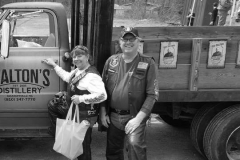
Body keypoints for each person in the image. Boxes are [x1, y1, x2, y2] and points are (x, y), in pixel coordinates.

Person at [99, 27, 159, 160]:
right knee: (113, 151)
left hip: (135, 115)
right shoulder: (111, 61)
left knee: (135, 146)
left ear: (139, 42)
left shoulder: (148, 63)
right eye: (124, 39)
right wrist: (103, 112)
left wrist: (138, 119)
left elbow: (152, 95)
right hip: (113, 116)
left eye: (132, 39)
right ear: (119, 42)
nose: (128, 42)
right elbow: (101, 89)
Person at [42, 45, 107, 160]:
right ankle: (57, 133)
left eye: (79, 56)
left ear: (87, 57)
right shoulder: (78, 70)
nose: (76, 59)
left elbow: (102, 95)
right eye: (74, 56)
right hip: (75, 111)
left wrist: (81, 98)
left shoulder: (92, 75)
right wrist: (54, 65)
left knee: (83, 147)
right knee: (53, 105)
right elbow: (67, 77)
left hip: (84, 116)